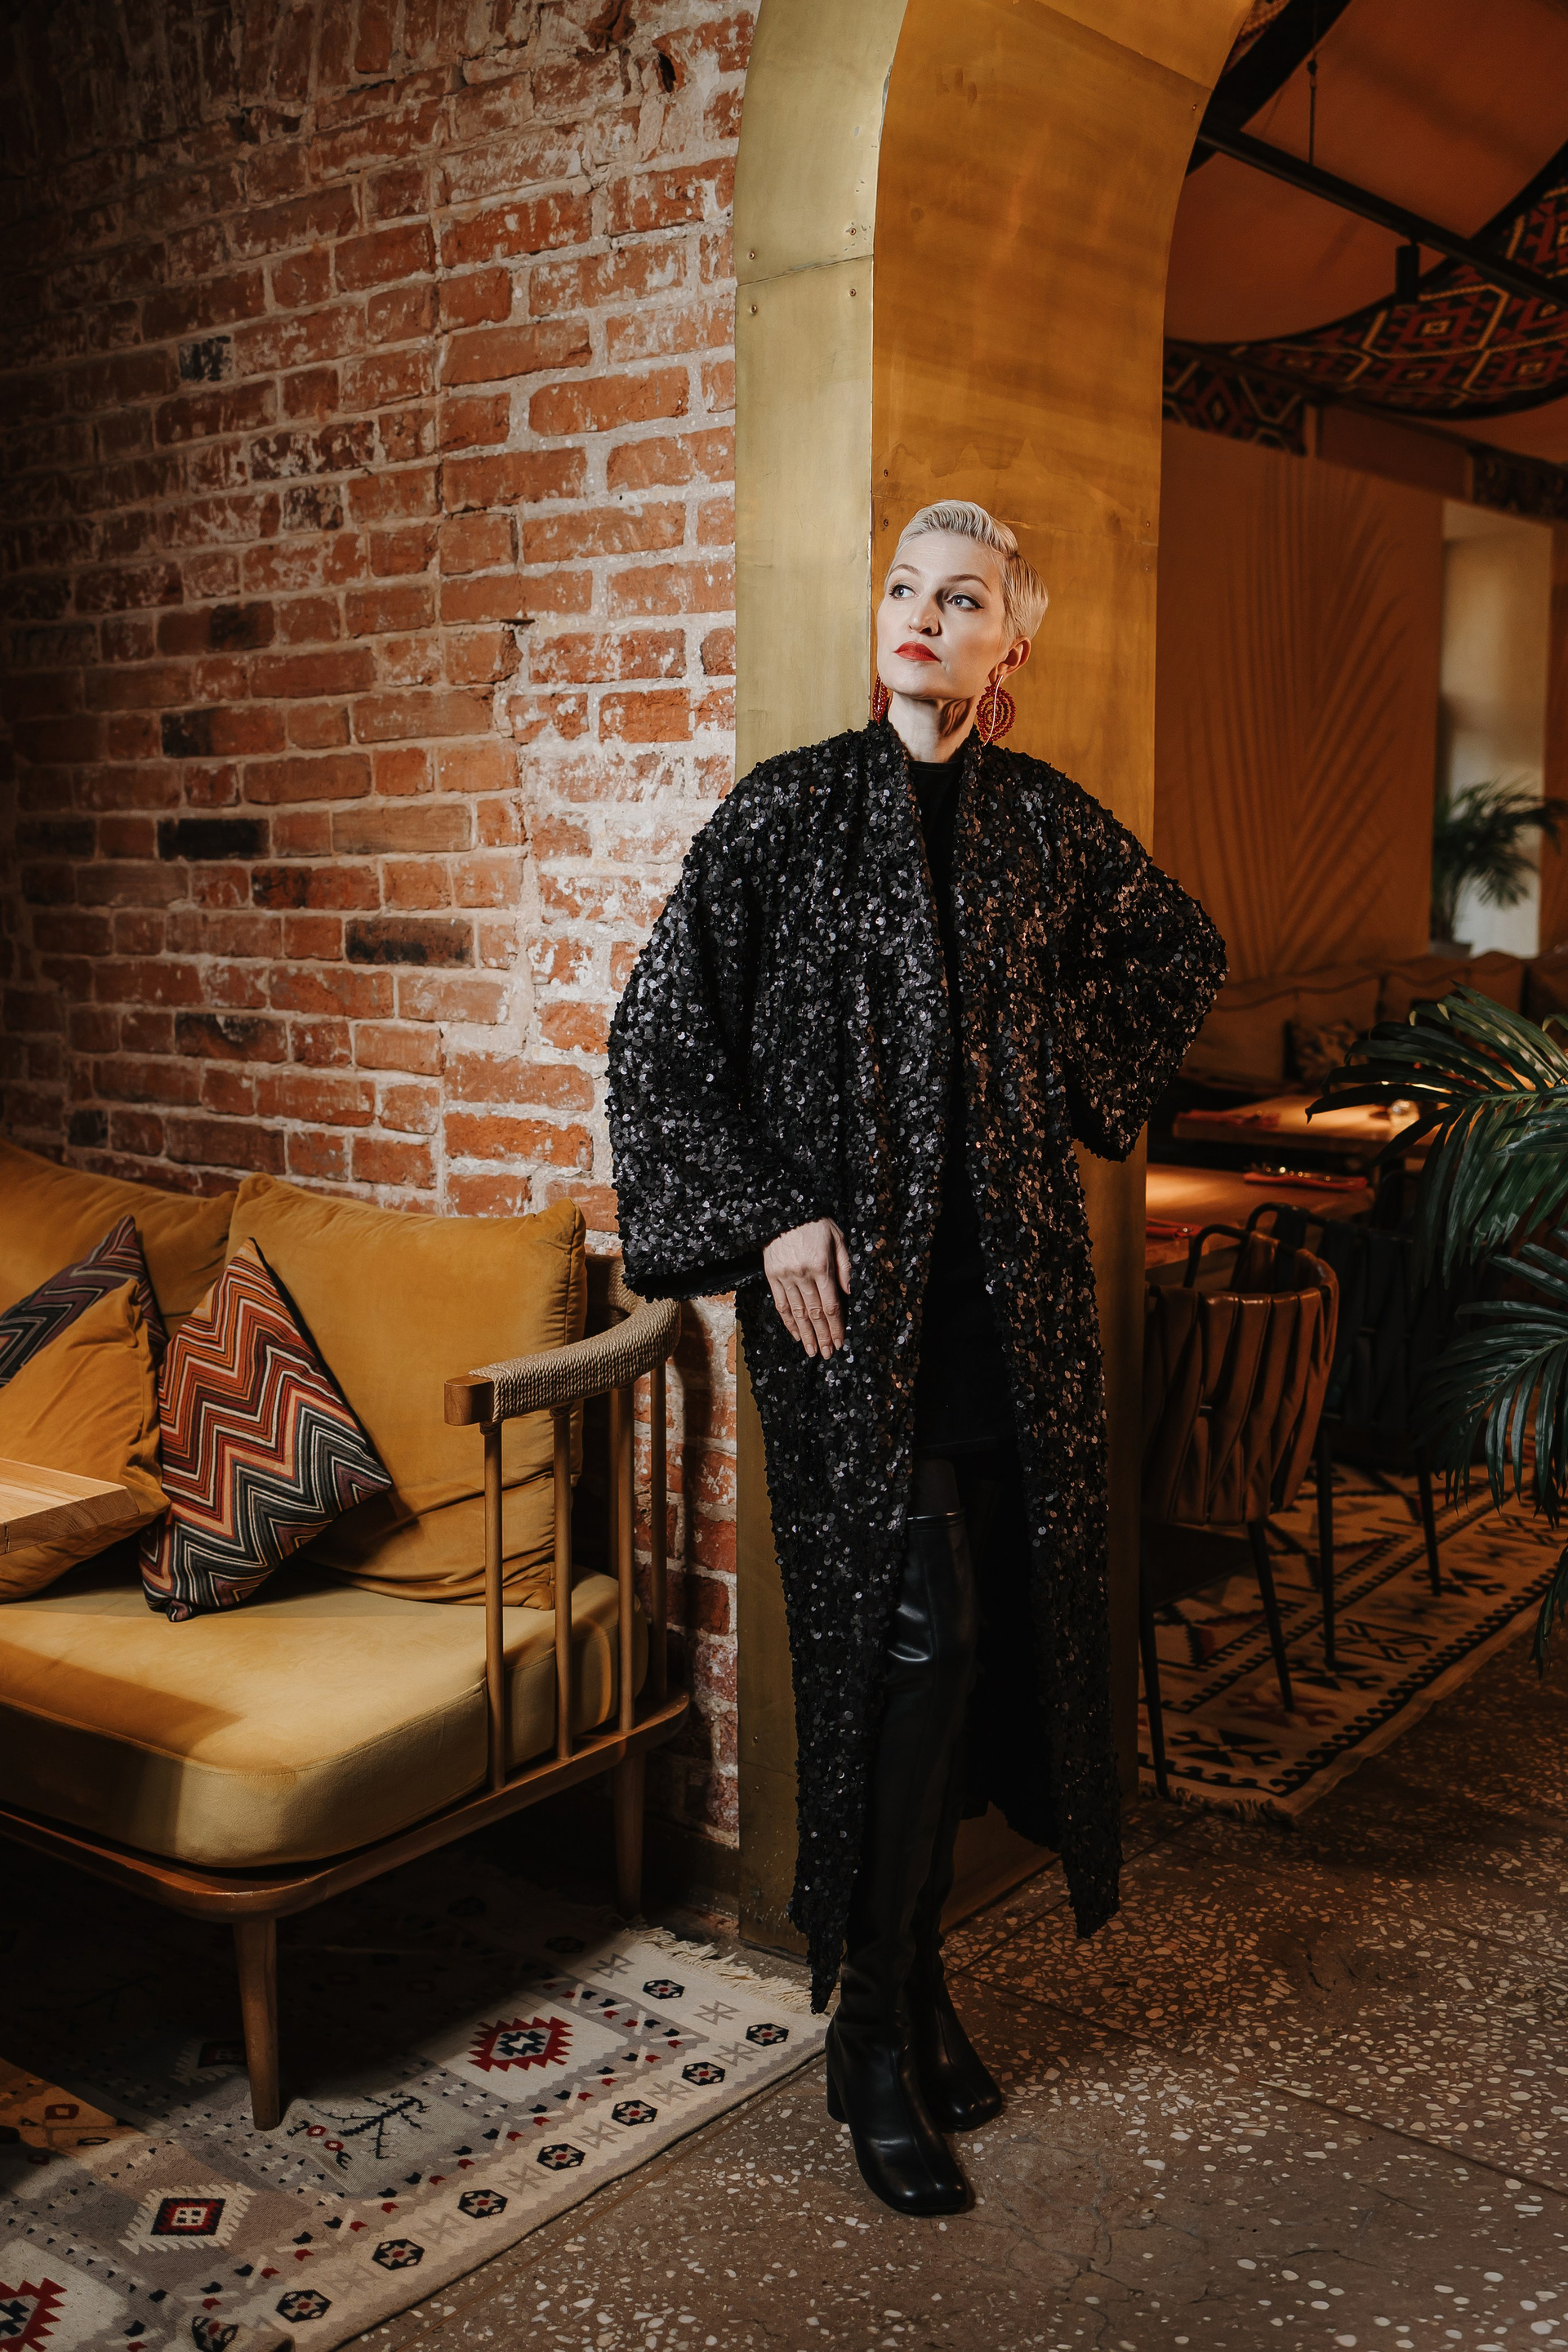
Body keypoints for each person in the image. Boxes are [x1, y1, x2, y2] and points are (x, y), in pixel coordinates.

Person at [607, 501, 1225, 2216]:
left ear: (1011, 638)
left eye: (963, 600)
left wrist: (1055, 1080)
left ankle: (919, 1986)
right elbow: (658, 1043)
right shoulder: (786, 814)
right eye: (903, 589)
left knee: (971, 1651)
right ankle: (868, 2033)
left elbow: (1178, 950)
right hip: (848, 1324)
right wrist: (770, 1216)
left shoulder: (1041, 826)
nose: (924, 618)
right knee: (919, 1643)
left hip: (1007, 1310)